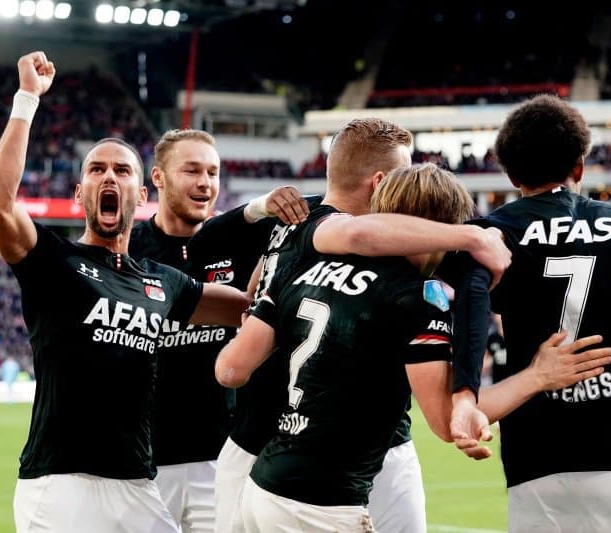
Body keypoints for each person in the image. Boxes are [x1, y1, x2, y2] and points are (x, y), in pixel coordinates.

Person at [214, 162, 611, 532]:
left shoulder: (307, 265)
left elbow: (230, 369)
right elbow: (445, 421)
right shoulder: (419, 297)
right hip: (321, 504)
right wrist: (537, 376)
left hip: (263, 485)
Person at [0, 51, 250, 533]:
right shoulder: (55, 262)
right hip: (63, 482)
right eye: (97, 169)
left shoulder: (161, 282)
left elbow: (249, 311)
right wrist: (27, 100)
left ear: (141, 195)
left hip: (138, 483)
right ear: (80, 194)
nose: (110, 177)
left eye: (123, 171)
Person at [213, 118, 513, 533]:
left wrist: (261, 307)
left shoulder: (289, 231)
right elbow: (357, 234)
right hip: (336, 467)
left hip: (268, 452)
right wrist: (471, 238)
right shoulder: (396, 277)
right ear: (381, 183)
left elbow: (231, 367)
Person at [447, 94, 611, 532]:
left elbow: (471, 311)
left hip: (534, 457)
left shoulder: (489, 235)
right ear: (579, 166)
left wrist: (466, 394)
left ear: (510, 173)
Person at [128, 127, 310, 531]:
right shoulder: (129, 250)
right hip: (145, 463)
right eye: (191, 171)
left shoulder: (247, 243)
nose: (204, 182)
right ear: (157, 178)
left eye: (212, 172)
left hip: (227, 457)